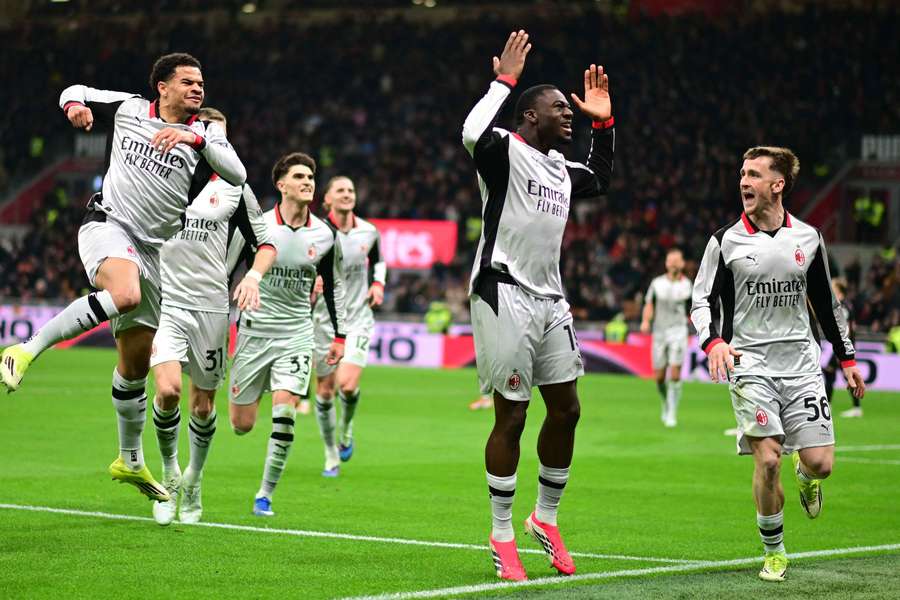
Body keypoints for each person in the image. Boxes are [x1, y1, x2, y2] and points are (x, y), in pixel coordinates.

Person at [1, 53, 247, 502]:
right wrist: (73, 106)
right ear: (162, 87)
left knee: (134, 368)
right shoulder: (130, 107)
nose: (198, 89)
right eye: (188, 82)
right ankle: (25, 349)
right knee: (125, 294)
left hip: (152, 253)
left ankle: (129, 459)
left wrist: (194, 139)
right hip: (108, 224)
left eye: (202, 83)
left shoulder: (206, 135)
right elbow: (72, 89)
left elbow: (237, 173)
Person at [462, 30, 614, 581]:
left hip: (551, 298)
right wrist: (504, 79)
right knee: (514, 414)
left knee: (568, 409)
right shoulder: (505, 151)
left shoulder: (562, 171)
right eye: (559, 108)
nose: (566, 114)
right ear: (529, 116)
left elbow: (602, 177)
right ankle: (501, 533)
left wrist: (604, 123)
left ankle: (543, 520)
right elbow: (471, 130)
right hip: (503, 289)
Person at [692, 146, 864, 582]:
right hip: (750, 365)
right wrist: (713, 341)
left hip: (803, 366)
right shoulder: (724, 241)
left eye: (753, 175)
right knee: (767, 460)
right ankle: (774, 551)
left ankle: (806, 476)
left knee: (822, 463)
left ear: (778, 184)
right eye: (742, 174)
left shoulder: (808, 238)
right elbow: (701, 300)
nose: (743, 182)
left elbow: (827, 304)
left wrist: (846, 360)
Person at [149, 107, 277, 525]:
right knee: (167, 391)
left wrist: (254, 277)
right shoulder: (161, 175)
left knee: (202, 405)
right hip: (168, 302)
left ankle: (195, 478)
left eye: (221, 135)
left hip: (211, 308)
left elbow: (265, 243)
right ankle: (168, 476)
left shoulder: (236, 186)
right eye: (207, 133)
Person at [227, 152, 346, 517]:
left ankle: (265, 494)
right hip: (253, 331)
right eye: (299, 176)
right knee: (242, 425)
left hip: (296, 333)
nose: (308, 181)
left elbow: (334, 288)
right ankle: (256, 390)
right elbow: (227, 270)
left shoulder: (325, 234)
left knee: (285, 412)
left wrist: (340, 336)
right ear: (281, 185)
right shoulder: (258, 226)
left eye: (311, 176)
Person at [310, 175, 385, 477]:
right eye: (340, 190)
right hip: (324, 320)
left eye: (351, 190)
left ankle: (346, 430)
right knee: (326, 391)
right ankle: (330, 453)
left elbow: (378, 260)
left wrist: (378, 284)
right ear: (327, 199)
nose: (347, 194)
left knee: (348, 385)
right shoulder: (315, 232)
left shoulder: (368, 232)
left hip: (357, 318)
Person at [640, 248, 692, 427]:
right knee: (660, 377)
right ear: (666, 263)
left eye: (677, 260)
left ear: (682, 264)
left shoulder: (687, 285)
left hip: (678, 331)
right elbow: (649, 304)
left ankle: (672, 412)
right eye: (671, 260)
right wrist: (646, 321)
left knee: (675, 373)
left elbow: (691, 308)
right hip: (660, 332)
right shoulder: (657, 284)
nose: (674, 264)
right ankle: (665, 402)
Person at [820, 279, 862, 418]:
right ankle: (833, 405)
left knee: (837, 373)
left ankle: (853, 407)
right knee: (832, 373)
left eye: (833, 287)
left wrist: (843, 346)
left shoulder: (842, 306)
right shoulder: (846, 305)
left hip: (844, 347)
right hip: (846, 346)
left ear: (838, 290)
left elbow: (845, 329)